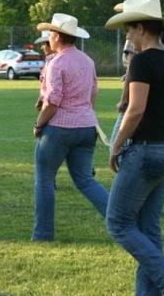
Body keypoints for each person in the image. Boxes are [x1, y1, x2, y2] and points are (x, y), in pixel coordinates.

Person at [105, 0, 164, 295]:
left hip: (145, 153)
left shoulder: (141, 62)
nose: (127, 36)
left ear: (141, 27)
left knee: (117, 223)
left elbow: (135, 109)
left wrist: (116, 146)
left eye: (129, 29)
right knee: (147, 229)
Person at [31, 13, 109, 241]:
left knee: (44, 179)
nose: (48, 38)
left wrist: (39, 124)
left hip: (59, 128)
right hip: (87, 127)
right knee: (85, 180)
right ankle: (121, 219)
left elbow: (53, 101)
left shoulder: (57, 63)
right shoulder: (88, 60)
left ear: (56, 36)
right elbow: (93, 93)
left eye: (50, 34)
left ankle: (43, 234)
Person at [109, 39, 137, 149]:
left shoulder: (133, 40)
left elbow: (131, 68)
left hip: (133, 98)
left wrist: (124, 99)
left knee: (115, 147)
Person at [34, 31, 55, 111]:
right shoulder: (49, 59)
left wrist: (41, 99)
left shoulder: (53, 61)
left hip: (52, 106)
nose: (41, 47)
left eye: (43, 44)